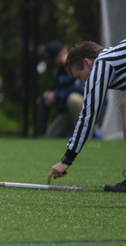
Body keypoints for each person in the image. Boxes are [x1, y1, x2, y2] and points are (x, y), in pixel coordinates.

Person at [47, 40, 126, 192]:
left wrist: (67, 159)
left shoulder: (102, 63)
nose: (83, 84)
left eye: (79, 77)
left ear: (87, 63)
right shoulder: (116, 59)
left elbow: (88, 116)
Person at [39, 40, 85, 138]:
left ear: (61, 54)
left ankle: (88, 132)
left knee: (73, 99)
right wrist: (49, 95)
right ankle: (73, 134)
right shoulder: (58, 71)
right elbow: (57, 89)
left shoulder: (76, 64)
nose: (52, 64)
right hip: (69, 112)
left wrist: (56, 95)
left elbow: (82, 88)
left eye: (53, 59)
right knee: (51, 134)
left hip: (89, 108)